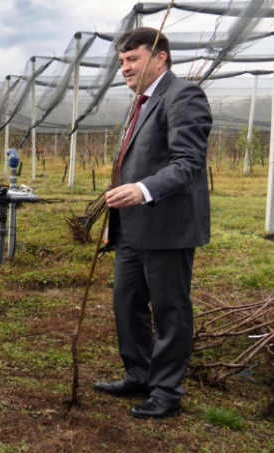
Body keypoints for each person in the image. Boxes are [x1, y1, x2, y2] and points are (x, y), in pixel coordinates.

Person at [94, 27, 211, 420]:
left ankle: (166, 391)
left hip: (166, 224)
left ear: (160, 58)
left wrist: (142, 190)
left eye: (133, 59)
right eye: (122, 62)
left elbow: (188, 162)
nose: (124, 68)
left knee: (169, 310)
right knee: (127, 305)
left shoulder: (182, 96)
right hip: (131, 227)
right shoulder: (140, 103)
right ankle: (139, 373)